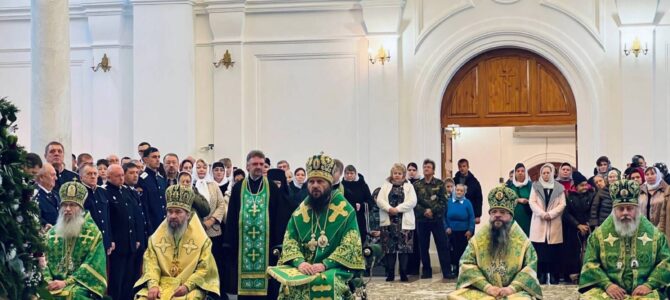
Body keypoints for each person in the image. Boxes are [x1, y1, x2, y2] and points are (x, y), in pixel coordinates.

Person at [266, 153, 365, 299]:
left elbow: (350, 244)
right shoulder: (300, 211)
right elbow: (290, 240)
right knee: (290, 287)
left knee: (326, 282)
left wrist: (325, 264)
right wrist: (300, 263)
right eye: (311, 182)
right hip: (303, 267)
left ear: (330, 183)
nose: (315, 186)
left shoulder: (345, 210)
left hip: (334, 268)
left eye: (320, 181)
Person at [578, 180, 670, 300]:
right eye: (621, 209)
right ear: (614, 210)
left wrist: (649, 285)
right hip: (608, 290)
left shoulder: (656, 236)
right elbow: (589, 264)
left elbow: (666, 262)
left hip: (645, 291)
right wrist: (607, 285)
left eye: (629, 208)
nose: (625, 213)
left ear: (636, 210)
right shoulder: (598, 236)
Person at [447, 186, 543, 299]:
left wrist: (511, 288)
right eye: (494, 212)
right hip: (484, 291)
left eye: (502, 212)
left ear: (511, 216)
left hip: (513, 292)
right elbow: (466, 263)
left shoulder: (523, 241)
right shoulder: (478, 239)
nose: (497, 215)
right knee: (455, 297)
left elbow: (530, 267)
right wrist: (487, 287)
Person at [222, 150, 293, 299]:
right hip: (243, 249)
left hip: (266, 249)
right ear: (247, 166)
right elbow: (232, 217)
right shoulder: (238, 188)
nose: (259, 167)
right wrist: (230, 244)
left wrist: (277, 244)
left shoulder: (272, 188)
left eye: (261, 164)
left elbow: (278, 217)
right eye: (255, 164)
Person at [134, 185, 220, 299]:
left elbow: (204, 268)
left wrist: (188, 286)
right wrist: (153, 285)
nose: (173, 216)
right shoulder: (155, 239)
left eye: (178, 212)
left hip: (188, 286)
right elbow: (151, 264)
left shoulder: (202, 241)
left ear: (188, 215)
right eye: (170, 212)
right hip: (160, 284)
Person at [44, 182, 107, 299]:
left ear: (80, 208)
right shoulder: (52, 233)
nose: (67, 209)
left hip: (80, 284)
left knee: (73, 295)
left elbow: (93, 264)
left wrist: (65, 282)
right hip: (52, 282)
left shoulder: (92, 233)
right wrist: (47, 280)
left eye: (72, 205)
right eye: (64, 205)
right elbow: (44, 261)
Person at [106, 164, 144, 300]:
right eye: (118, 176)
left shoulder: (127, 192)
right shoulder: (106, 193)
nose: (121, 178)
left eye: (122, 175)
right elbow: (108, 220)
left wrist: (137, 238)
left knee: (130, 281)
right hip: (117, 245)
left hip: (131, 244)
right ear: (108, 177)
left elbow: (133, 217)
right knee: (117, 281)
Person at [376, 163, 417, 282]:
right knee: (389, 250)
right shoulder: (385, 186)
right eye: (395, 173)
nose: (397, 175)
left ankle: (403, 273)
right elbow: (379, 200)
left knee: (404, 249)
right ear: (392, 174)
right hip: (389, 222)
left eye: (399, 173)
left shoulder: (409, 187)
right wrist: (389, 209)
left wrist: (397, 209)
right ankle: (390, 273)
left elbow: (412, 202)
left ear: (404, 174)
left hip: (404, 222)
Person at [414, 159, 452, 279]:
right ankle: (426, 271)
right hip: (422, 220)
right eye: (424, 167)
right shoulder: (417, 185)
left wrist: (432, 210)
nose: (426, 168)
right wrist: (424, 211)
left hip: (437, 219)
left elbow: (444, 201)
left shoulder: (440, 184)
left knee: (442, 245)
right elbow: (414, 202)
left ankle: (447, 271)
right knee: (423, 246)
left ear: (433, 170)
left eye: (429, 167)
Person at [528, 163, 566, 285]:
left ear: (552, 173)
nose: (545, 175)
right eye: (543, 173)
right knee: (540, 253)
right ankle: (541, 276)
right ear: (541, 174)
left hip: (554, 223)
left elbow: (562, 204)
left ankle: (554, 276)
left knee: (554, 253)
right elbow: (532, 202)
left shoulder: (559, 187)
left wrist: (551, 214)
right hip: (539, 223)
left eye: (548, 172)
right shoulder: (535, 186)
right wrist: (542, 214)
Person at [561, 171, 594, 284]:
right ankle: (574, 275)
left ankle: (587, 274)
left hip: (589, 227)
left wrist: (589, 223)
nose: (585, 187)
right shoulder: (569, 196)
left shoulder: (592, 194)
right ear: (576, 186)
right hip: (573, 229)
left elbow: (593, 210)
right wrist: (578, 225)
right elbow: (566, 214)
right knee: (573, 253)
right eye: (582, 185)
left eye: (586, 184)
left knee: (588, 252)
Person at [79, 163, 113, 255]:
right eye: (89, 174)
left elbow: (107, 218)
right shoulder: (79, 193)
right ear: (81, 177)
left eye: (95, 173)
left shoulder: (102, 191)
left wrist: (109, 239)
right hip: (87, 241)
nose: (93, 176)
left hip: (103, 240)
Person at [444, 184, 475, 278]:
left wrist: (470, 230)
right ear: (454, 190)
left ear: (464, 192)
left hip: (464, 232)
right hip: (451, 232)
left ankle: (461, 270)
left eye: (461, 191)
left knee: (462, 252)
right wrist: (446, 227)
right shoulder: (448, 202)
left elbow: (471, 217)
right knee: (452, 252)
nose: (459, 192)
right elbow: (443, 217)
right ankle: (453, 270)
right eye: (457, 190)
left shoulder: (467, 203)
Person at [138, 147, 167, 235]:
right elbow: (144, 205)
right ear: (145, 159)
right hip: (151, 224)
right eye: (154, 157)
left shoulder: (161, 179)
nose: (158, 160)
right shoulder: (142, 179)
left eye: (159, 157)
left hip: (165, 223)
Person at [342, 165, 373, 244]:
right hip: (345, 219)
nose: (349, 175)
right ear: (344, 174)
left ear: (355, 174)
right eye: (347, 173)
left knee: (360, 242)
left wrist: (362, 205)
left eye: (351, 173)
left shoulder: (363, 185)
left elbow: (370, 201)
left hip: (360, 219)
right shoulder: (341, 186)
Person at [453, 158, 483, 225]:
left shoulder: (474, 182)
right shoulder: (454, 181)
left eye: (464, 166)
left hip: (469, 212)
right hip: (456, 212)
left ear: (468, 167)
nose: (462, 168)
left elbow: (478, 199)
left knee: (468, 234)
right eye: (460, 166)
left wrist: (478, 215)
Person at [507, 163, 533, 236]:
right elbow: (507, 199)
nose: (520, 173)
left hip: (528, 216)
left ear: (525, 173)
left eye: (522, 171)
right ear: (515, 173)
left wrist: (527, 201)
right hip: (514, 216)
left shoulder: (530, 185)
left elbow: (535, 199)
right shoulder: (510, 185)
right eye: (518, 171)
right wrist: (518, 200)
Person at [34, 163, 60, 227]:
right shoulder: (34, 195)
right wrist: (45, 224)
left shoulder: (56, 195)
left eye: (55, 175)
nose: (56, 178)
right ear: (42, 177)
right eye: (52, 175)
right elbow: (35, 217)